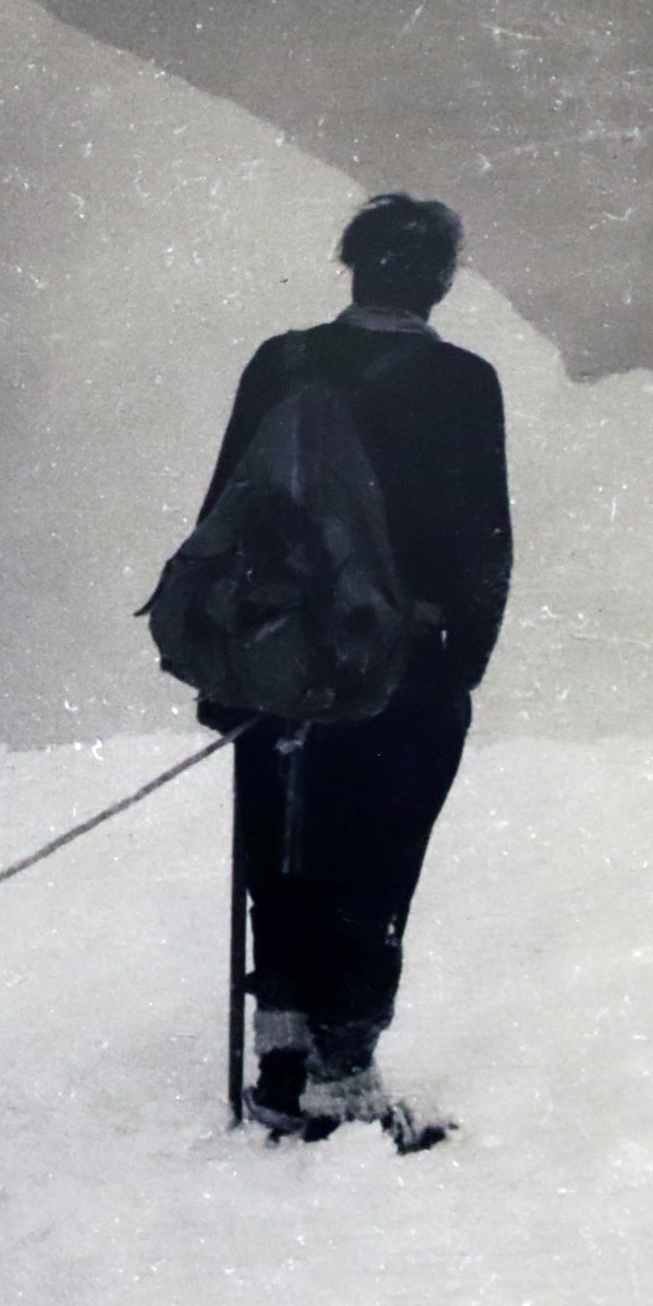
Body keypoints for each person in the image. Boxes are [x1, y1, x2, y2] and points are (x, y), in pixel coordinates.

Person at [194, 193, 512, 1137]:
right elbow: (484, 542)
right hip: (402, 666)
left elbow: (224, 514)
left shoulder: (282, 362)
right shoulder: (463, 383)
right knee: (375, 863)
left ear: (353, 266)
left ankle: (281, 1062)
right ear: (441, 281)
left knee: (281, 851)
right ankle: (345, 1075)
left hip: (280, 659)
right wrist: (460, 664)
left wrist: (227, 665)